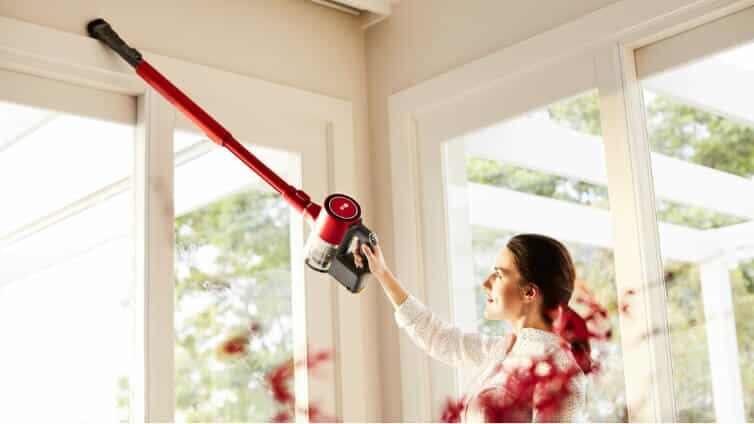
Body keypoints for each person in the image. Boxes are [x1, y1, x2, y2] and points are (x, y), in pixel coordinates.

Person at [353, 233, 589, 422]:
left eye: (498, 275)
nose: (486, 283)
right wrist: (382, 273)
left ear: (529, 292)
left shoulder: (558, 371)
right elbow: (440, 338)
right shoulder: (503, 350)